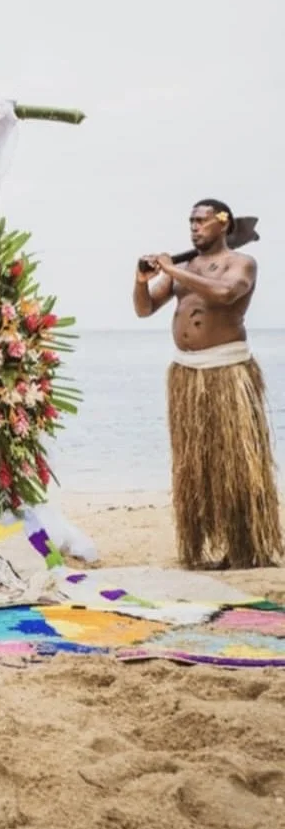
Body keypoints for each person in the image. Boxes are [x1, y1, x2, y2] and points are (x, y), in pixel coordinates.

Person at [134, 199, 282, 569]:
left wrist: (172, 269)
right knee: (195, 467)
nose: (194, 227)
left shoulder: (241, 263)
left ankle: (245, 547)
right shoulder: (184, 266)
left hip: (226, 372)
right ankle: (200, 546)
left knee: (235, 466)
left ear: (223, 224)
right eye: (191, 221)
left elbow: (225, 293)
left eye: (201, 221)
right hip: (186, 374)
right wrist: (142, 281)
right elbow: (145, 308)